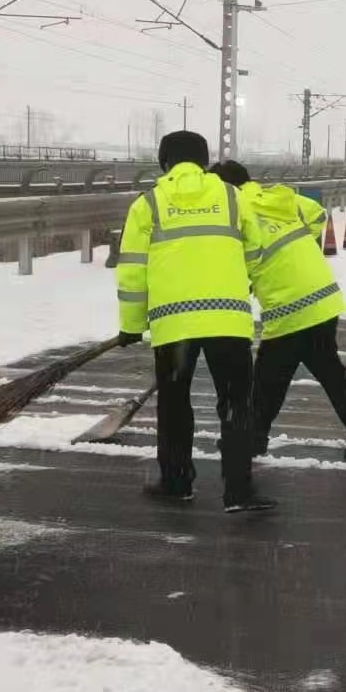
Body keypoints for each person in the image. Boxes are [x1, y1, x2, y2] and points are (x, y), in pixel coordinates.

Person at [114, 131, 274, 512]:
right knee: (236, 404)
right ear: (204, 161)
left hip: (174, 326)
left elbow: (132, 273)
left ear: (164, 162)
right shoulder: (233, 197)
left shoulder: (147, 204)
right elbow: (258, 251)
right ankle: (238, 491)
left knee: (173, 404)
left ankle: (177, 482)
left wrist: (131, 324)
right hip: (228, 320)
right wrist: (241, 286)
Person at [212, 160, 346, 463]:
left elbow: (239, 259)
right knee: (329, 373)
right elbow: (317, 215)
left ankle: (251, 440)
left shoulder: (236, 210)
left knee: (268, 378)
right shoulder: (280, 198)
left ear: (225, 188)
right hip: (323, 296)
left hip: (290, 305)